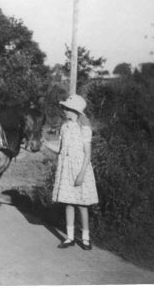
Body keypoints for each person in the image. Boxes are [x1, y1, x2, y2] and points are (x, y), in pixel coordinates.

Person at [43, 94, 98, 250]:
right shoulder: (64, 127)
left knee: (82, 204)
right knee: (69, 202)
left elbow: (87, 154)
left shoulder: (84, 128)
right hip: (66, 168)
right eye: (65, 108)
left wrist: (81, 174)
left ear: (75, 110)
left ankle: (86, 238)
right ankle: (70, 237)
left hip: (80, 168)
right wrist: (45, 143)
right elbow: (60, 150)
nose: (65, 111)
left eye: (67, 109)